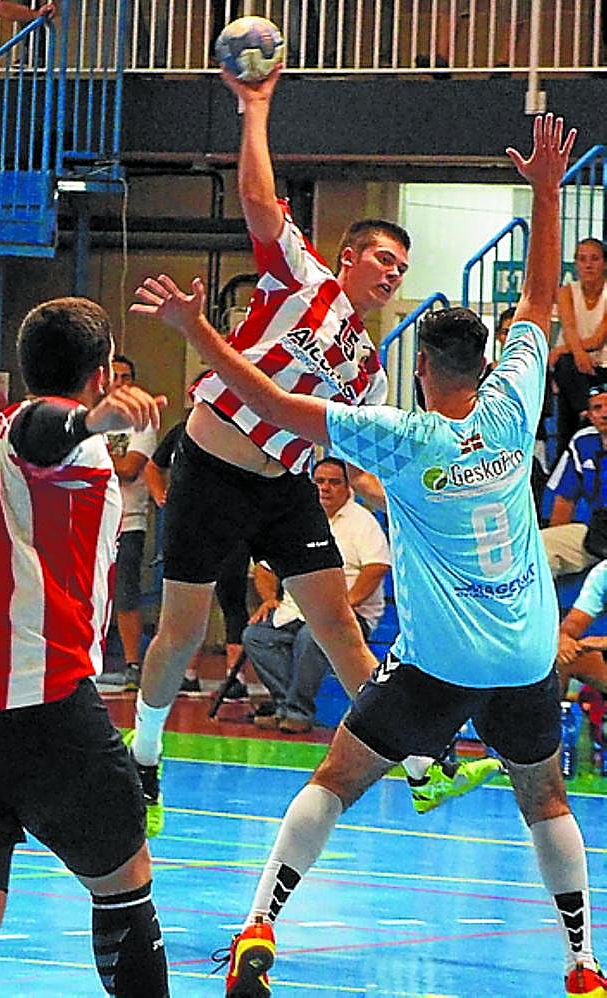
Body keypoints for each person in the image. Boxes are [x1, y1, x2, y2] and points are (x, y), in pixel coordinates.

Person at [131, 114, 607, 998]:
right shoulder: (515, 404)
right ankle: (584, 964)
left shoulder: (398, 430)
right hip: (526, 655)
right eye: (382, 259)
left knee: (335, 779)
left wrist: (197, 333)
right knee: (545, 798)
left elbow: (277, 404)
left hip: (439, 659)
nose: (391, 273)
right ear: (492, 365)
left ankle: (260, 924)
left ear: (422, 370)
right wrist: (548, 192)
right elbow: (539, 301)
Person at [126, 65, 499, 840]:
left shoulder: (371, 369)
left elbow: (356, 451)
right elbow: (258, 198)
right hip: (212, 469)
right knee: (182, 630)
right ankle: (145, 756)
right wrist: (255, 109)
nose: (394, 275)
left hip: (286, 487)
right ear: (349, 256)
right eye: (384, 261)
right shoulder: (301, 276)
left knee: (340, 626)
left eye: (403, 270)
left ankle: (423, 768)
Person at [0, 297, 169, 996]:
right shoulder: (64, 438)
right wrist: (91, 421)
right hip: (42, 702)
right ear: (100, 375)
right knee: (124, 882)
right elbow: (43, 432)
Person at [244, 456, 390, 734]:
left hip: (348, 616)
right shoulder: (298, 519)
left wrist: (343, 606)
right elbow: (264, 567)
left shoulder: (363, 522)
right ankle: (286, 706)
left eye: (334, 482)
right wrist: (269, 598)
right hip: (295, 611)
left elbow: (376, 568)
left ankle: (297, 713)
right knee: (256, 636)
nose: (325, 488)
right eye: (320, 481)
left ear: (348, 487)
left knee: (312, 635)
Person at [143, 415, 252, 697]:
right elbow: (153, 466)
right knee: (186, 602)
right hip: (190, 526)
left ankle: (235, 677)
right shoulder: (182, 431)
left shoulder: (242, 428)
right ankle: (186, 672)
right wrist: (161, 497)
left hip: (232, 525)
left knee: (232, 598)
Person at [106, 354, 157, 692]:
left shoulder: (141, 421)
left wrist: (94, 454)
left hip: (128, 521)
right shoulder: (90, 416)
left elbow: (129, 468)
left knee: (126, 593)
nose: (120, 383)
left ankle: (132, 664)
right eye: (115, 376)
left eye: (126, 377)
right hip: (88, 521)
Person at [549, 237, 607, 459]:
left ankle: (586, 414)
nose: (588, 265)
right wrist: (578, 354)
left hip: (601, 366)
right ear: (575, 264)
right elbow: (570, 329)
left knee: (565, 364)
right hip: (574, 367)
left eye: (594, 259)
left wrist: (562, 349)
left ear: (604, 263)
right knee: (566, 367)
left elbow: (598, 339)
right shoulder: (566, 292)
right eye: (582, 259)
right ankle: (586, 413)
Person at [541, 384, 607, 577]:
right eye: (597, 408)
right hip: (597, 534)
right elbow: (565, 498)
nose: (605, 414)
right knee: (541, 546)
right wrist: (558, 534)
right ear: (589, 416)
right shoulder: (582, 442)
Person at [557, 559, 607, 696]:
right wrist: (564, 641)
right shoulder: (603, 572)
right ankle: (552, 708)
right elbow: (568, 631)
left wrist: (604, 642)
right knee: (561, 656)